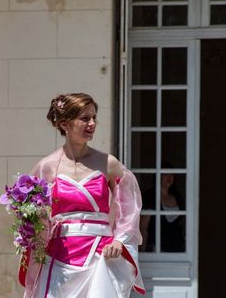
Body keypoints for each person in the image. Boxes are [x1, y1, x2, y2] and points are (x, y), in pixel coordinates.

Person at [19, 92, 146, 297]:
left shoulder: (108, 164)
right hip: (59, 257)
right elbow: (33, 214)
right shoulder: (47, 167)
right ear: (65, 124)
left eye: (94, 117)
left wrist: (119, 240)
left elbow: (129, 207)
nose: (92, 123)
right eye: (85, 118)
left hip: (99, 256)